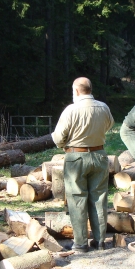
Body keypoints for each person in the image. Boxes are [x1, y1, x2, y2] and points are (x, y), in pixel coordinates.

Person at [52, 77, 114, 252]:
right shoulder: (104, 107)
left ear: (76, 91)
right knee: (99, 198)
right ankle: (100, 241)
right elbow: (109, 125)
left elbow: (58, 138)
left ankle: (80, 243)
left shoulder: (71, 110)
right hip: (100, 155)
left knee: (77, 199)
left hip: (76, 157)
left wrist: (66, 143)